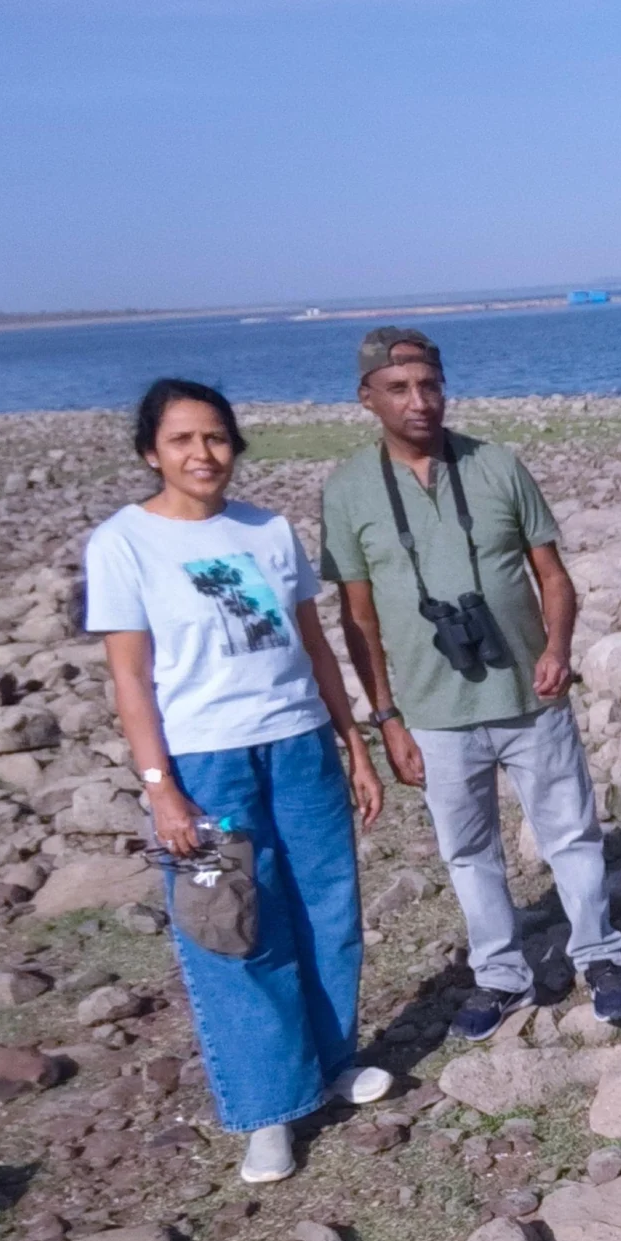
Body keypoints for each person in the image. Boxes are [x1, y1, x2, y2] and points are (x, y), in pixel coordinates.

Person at [86, 379, 392, 1184]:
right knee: (231, 926)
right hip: (206, 764)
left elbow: (315, 646)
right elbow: (130, 679)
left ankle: (331, 1062)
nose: (203, 453)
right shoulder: (123, 543)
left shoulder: (268, 531)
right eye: (182, 440)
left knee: (326, 909)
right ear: (151, 452)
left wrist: (354, 746)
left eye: (216, 437)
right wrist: (161, 787)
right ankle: (267, 1108)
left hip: (299, 747)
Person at [321, 327, 621, 1040]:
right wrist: (386, 717)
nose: (420, 401)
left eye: (430, 385)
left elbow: (552, 576)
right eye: (399, 388)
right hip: (432, 713)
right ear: (367, 397)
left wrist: (558, 648)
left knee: (571, 834)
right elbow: (357, 617)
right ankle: (500, 974)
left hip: (533, 697)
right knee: (467, 852)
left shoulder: (496, 465)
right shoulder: (347, 491)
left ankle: (599, 956)